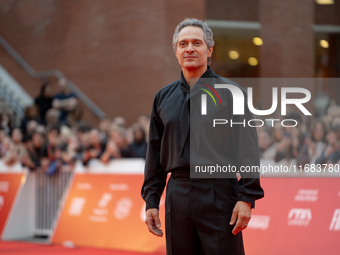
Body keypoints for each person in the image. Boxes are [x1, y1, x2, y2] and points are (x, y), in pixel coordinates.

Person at [141, 18, 264, 255]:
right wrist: (152, 201)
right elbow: (154, 154)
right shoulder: (162, 98)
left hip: (219, 193)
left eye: (197, 43)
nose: (189, 48)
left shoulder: (231, 94)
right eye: (183, 44)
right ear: (176, 51)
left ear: (209, 50)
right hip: (177, 193)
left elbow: (248, 149)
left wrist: (246, 197)